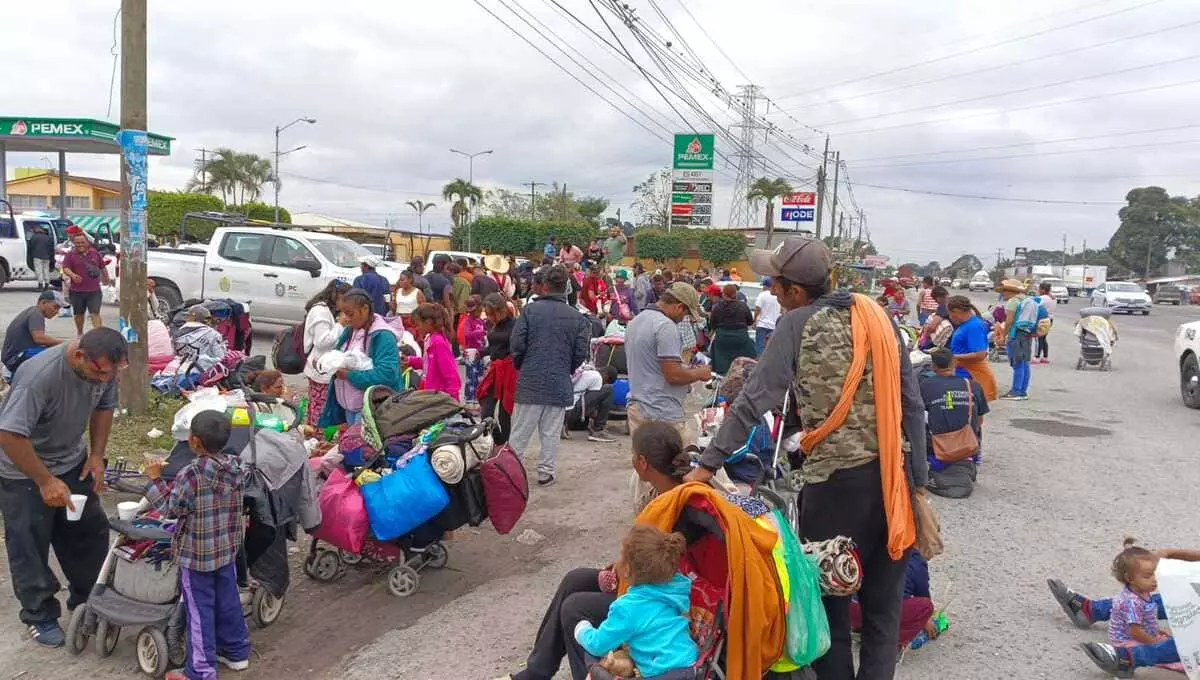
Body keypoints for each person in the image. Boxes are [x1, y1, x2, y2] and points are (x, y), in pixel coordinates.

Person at [689, 236, 927, 680]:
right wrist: (916, 483)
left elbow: (752, 400)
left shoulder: (797, 324)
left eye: (775, 282)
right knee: (881, 613)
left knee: (830, 608)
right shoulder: (880, 320)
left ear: (795, 290)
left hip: (836, 487)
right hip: (892, 483)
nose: (771, 290)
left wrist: (706, 466)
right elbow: (911, 405)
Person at [497, 421, 771, 680]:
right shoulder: (661, 493)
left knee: (574, 607)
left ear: (642, 462)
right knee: (575, 578)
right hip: (656, 580)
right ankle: (536, 673)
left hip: (664, 593)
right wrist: (616, 569)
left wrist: (621, 573)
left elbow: (654, 566)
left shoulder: (682, 506)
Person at [0, 328, 126, 647]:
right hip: (21, 468)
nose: (104, 380)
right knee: (29, 542)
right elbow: (10, 435)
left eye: (111, 373)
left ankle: (88, 600)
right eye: (99, 373)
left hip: (72, 459)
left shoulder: (105, 369)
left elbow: (104, 408)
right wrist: (44, 481)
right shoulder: (38, 376)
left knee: (88, 530)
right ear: (79, 355)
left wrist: (97, 455)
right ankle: (39, 614)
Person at [144, 411, 251, 680]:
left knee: (199, 610)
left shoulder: (190, 474)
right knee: (228, 601)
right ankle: (236, 653)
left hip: (196, 556)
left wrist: (155, 479)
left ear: (193, 441)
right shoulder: (238, 467)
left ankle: (200, 670)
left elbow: (171, 509)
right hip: (227, 549)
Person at [574, 524, 698, 679]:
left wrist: (582, 630)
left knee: (592, 657)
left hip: (663, 672)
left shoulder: (628, 608)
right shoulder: (674, 589)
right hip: (690, 664)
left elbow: (598, 645)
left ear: (627, 569)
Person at [509, 265, 591, 487]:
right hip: (559, 380)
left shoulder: (530, 311)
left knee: (519, 433)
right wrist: (567, 368)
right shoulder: (578, 318)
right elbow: (580, 352)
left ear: (544, 286)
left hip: (530, 378)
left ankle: (509, 474)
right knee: (551, 432)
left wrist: (523, 365)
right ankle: (546, 472)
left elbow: (517, 344)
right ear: (566, 288)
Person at [1072, 540, 1187, 677]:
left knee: (1178, 648)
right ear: (1130, 578)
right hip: (1128, 639)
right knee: (1172, 651)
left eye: (1155, 574)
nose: (1155, 580)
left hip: (1136, 634)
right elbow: (1135, 631)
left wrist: (1154, 633)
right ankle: (1093, 612)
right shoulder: (1133, 601)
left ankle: (1130, 657)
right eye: (1148, 576)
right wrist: (1153, 640)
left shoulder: (1138, 593)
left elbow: (1144, 617)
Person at [624, 282, 711, 436]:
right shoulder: (666, 326)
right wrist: (700, 373)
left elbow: (653, 366)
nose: (684, 318)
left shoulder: (638, 320)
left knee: (644, 458)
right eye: (685, 314)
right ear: (678, 307)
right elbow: (673, 375)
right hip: (660, 411)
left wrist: (686, 373)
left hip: (639, 405)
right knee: (682, 455)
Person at [318, 288, 402, 427]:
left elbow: (387, 374)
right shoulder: (350, 331)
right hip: (350, 408)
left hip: (372, 411)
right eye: (344, 314)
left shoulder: (383, 336)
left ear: (365, 309)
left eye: (350, 314)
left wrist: (350, 375)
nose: (347, 318)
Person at [920, 349, 988, 499]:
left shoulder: (925, 385)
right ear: (955, 363)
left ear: (933, 367)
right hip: (967, 444)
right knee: (973, 420)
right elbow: (980, 421)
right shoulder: (973, 386)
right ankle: (971, 461)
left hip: (938, 445)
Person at [850, 553, 939, 653]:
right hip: (877, 612)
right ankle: (890, 642)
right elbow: (923, 595)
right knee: (926, 607)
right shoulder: (917, 563)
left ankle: (863, 630)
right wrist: (926, 621)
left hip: (852, 609)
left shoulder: (887, 548)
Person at [302, 280, 352, 427]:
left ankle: (313, 437)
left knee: (317, 407)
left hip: (323, 367)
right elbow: (322, 342)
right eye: (345, 300)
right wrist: (340, 325)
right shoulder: (320, 311)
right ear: (338, 296)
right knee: (320, 410)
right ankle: (315, 439)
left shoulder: (327, 311)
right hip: (320, 369)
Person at [479, 294, 517, 445]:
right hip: (495, 368)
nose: (489, 318)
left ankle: (505, 446)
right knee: (486, 412)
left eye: (492, 314)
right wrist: (479, 352)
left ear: (501, 310)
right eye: (487, 314)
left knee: (504, 413)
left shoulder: (515, 325)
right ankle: (498, 441)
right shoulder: (492, 325)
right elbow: (493, 347)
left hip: (509, 369)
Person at [2, 291, 65, 376]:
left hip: (13, 357)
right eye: (55, 307)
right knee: (59, 355)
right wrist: (65, 343)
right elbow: (39, 338)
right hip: (15, 359)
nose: (57, 311)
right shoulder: (36, 314)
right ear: (43, 303)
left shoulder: (31, 311)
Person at [409, 303, 462, 401]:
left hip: (438, 397)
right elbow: (429, 364)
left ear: (428, 322)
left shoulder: (438, 342)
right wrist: (410, 361)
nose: (417, 328)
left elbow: (450, 373)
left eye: (418, 324)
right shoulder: (429, 338)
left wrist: (453, 399)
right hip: (430, 393)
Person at [61, 232, 110, 336]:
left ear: (87, 242)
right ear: (74, 243)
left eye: (82, 242)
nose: (80, 244)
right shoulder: (70, 255)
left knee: (95, 313)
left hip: (94, 290)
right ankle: (80, 333)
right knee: (79, 314)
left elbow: (102, 267)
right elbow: (65, 268)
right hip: (77, 291)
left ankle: (98, 335)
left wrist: (107, 278)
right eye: (77, 243)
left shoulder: (95, 253)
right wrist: (73, 275)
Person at [996, 279, 1036, 401]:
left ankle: (1015, 391)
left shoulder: (1013, 301)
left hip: (1016, 334)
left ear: (1009, 291)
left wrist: (1003, 335)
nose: (1002, 294)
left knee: (1017, 362)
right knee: (1025, 362)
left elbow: (1009, 321)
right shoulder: (1027, 300)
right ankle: (1022, 391)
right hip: (1026, 334)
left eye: (1003, 291)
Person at [708, 284, 757, 375]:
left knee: (721, 367)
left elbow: (712, 324)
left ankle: (720, 381)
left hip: (722, 339)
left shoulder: (717, 307)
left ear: (724, 294)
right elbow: (750, 322)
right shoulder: (743, 306)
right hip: (741, 338)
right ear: (735, 294)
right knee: (743, 367)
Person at [562, 365, 617, 443]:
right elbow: (592, 407)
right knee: (609, 390)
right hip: (572, 411)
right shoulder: (598, 377)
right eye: (605, 383)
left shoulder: (588, 371)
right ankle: (598, 430)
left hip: (564, 410)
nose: (603, 384)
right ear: (606, 377)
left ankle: (563, 424)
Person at [173, 305, 228, 375]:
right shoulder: (213, 334)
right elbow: (222, 359)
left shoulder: (177, 333)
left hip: (178, 373)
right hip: (204, 375)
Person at [458, 296, 488, 408]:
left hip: (480, 352)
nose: (479, 312)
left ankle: (477, 400)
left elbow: (486, 331)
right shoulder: (468, 321)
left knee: (479, 377)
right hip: (471, 352)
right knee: (472, 377)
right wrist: (480, 333)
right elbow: (467, 334)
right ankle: (469, 401)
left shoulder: (480, 321)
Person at [918, 286, 953, 351]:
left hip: (949, 340)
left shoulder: (944, 306)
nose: (936, 302)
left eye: (935, 300)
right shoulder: (956, 301)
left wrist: (924, 338)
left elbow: (932, 327)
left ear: (938, 297)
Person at [753, 279, 781, 356]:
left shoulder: (762, 295)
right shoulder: (778, 295)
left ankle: (758, 364)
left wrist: (755, 321)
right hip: (774, 326)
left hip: (762, 325)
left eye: (763, 286)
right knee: (772, 348)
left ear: (766, 286)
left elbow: (758, 309)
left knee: (760, 347)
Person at [28, 225, 55, 291]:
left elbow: (30, 247)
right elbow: (52, 248)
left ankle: (40, 286)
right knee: (46, 271)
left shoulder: (34, 237)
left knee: (39, 271)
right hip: (47, 257)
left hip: (37, 256)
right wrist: (51, 257)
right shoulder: (48, 238)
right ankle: (46, 285)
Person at [1034, 281, 1056, 364]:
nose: (1038, 290)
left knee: (1038, 338)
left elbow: (1035, 305)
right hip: (1050, 319)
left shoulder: (1042, 298)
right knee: (1043, 338)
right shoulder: (1053, 298)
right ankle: (1045, 357)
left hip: (1042, 319)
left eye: (1039, 289)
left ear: (1043, 290)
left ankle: (1037, 357)